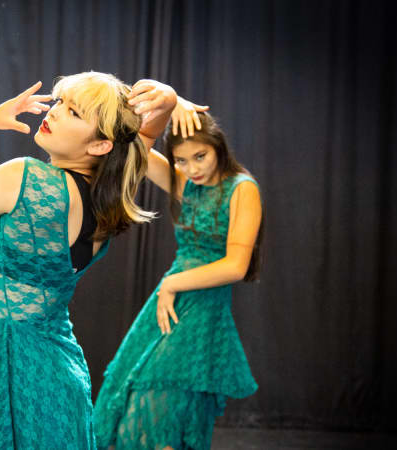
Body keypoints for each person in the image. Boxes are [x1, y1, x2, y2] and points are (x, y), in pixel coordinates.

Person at [0, 72, 164, 449]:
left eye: (74, 112)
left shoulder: (28, 177)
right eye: (59, 102)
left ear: (101, 146)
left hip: (16, 375)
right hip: (51, 375)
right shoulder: (110, 198)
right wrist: (165, 102)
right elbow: (141, 141)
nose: (54, 112)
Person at [93, 81, 263, 450]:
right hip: (170, 299)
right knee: (129, 401)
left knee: (162, 408)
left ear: (217, 147)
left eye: (199, 157)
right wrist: (171, 101)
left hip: (199, 306)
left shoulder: (241, 188)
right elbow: (135, 147)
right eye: (182, 160)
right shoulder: (186, 181)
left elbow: (236, 265)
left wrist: (173, 284)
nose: (191, 168)